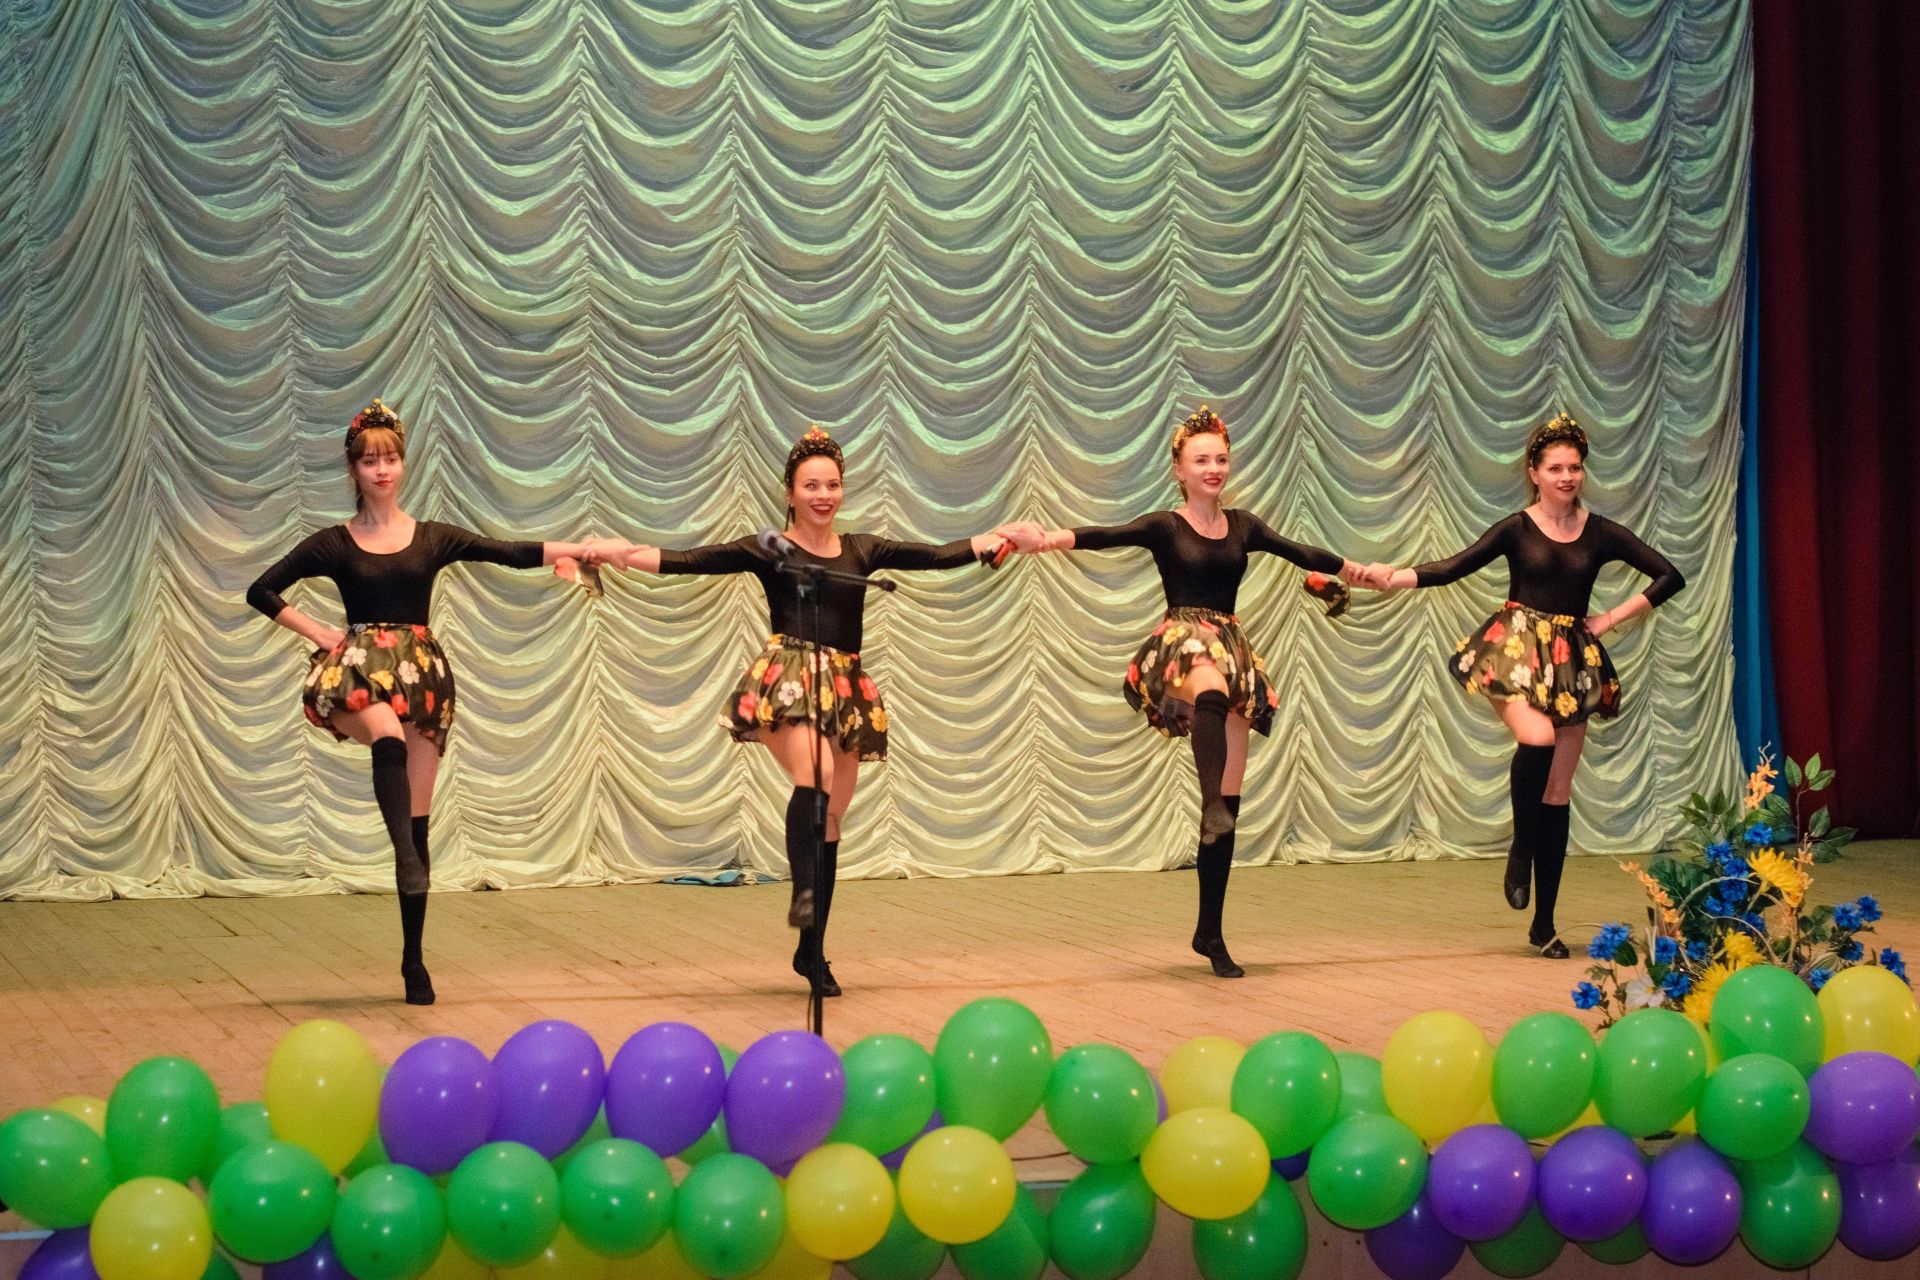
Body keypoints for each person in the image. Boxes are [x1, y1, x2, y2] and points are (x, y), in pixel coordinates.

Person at [581, 425, 1042, 997]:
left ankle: (812, 948)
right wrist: (620, 553)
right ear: (790, 492)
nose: (823, 495)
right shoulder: (768, 548)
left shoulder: (863, 550)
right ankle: (802, 892)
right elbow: (690, 559)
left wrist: (996, 537)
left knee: (830, 819)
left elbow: (932, 556)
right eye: (811, 485)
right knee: (816, 777)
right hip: (789, 680)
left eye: (832, 485)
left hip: (845, 687)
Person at [246, 400, 603, 1003]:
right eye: (370, 461)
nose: (382, 470)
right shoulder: (335, 543)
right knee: (385, 734)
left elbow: (507, 550)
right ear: (354, 470)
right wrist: (322, 633)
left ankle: (413, 959)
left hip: (420, 678)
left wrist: (583, 548)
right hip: (358, 673)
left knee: (419, 821)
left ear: (403, 464)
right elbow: (261, 590)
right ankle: (404, 857)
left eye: (390, 459)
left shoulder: (433, 537)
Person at [1023, 406, 1364, 978]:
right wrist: (1046, 540)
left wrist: (1355, 570)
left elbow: (1299, 551)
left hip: (1232, 645)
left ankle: (1210, 931)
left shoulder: (1245, 525)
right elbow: (1106, 535)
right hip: (1183, 639)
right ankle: (1209, 804)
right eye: (1201, 459)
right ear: (1179, 470)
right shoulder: (1165, 526)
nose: (1213, 468)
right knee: (1207, 691)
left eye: (1221, 459)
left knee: (1231, 800)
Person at [1368, 414, 1686, 957]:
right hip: (1514, 653)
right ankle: (1519, 848)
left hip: (1571, 663)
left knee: (1557, 795)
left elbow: (1669, 576)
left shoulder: (1600, 532)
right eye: (1555, 468)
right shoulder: (1517, 528)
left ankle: (1545, 924)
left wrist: (1610, 618)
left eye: (1575, 468)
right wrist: (1395, 576)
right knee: (1536, 739)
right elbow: (1454, 566)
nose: (1567, 477)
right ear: (1534, 473)